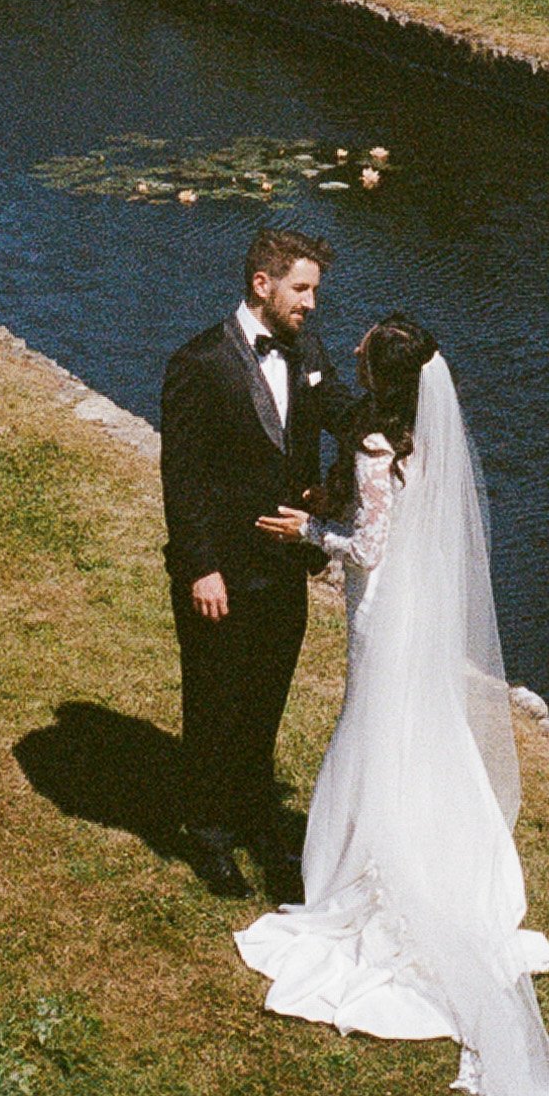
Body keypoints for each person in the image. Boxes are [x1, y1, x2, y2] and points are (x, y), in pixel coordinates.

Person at [235, 315, 549, 1096]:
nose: (351, 348)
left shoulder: (370, 440)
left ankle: (369, 867)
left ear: (378, 370)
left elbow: (368, 545)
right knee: (418, 730)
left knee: (372, 729)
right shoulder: (424, 436)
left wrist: (306, 533)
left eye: (362, 347)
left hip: (382, 611)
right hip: (424, 612)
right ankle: (444, 852)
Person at [159, 228, 349, 896]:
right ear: (262, 285)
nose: (312, 304)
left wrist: (340, 483)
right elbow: (181, 479)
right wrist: (200, 567)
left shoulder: (309, 351)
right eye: (303, 289)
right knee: (213, 700)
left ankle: (253, 815)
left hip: (282, 569)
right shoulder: (198, 363)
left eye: (316, 291)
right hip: (224, 573)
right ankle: (205, 833)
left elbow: (339, 419)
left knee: (265, 698)